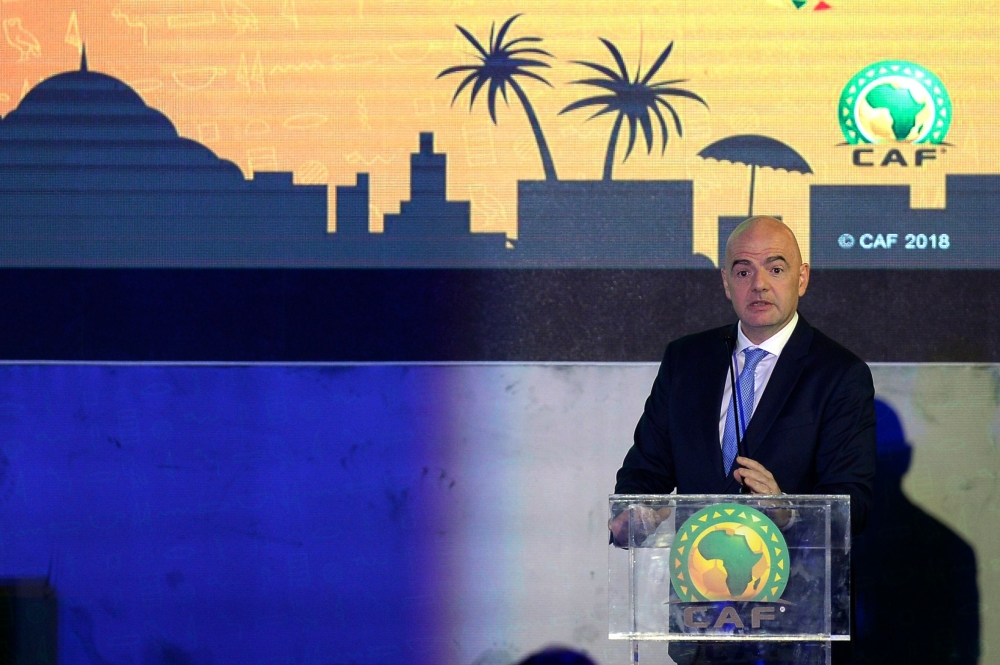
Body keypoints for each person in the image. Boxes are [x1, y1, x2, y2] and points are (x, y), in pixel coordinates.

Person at [611, 216, 876, 543]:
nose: (759, 284)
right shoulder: (686, 360)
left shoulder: (840, 374)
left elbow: (854, 505)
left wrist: (787, 510)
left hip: (795, 583)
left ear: (802, 278)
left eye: (775, 269)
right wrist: (633, 513)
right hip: (698, 578)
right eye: (743, 271)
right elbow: (646, 470)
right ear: (726, 282)